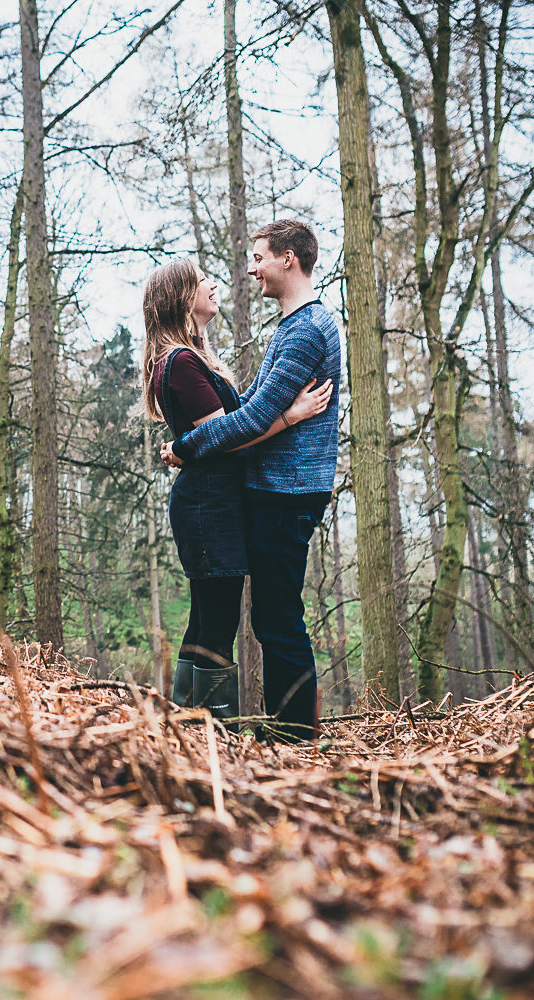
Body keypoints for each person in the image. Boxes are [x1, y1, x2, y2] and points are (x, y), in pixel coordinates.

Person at [161, 220, 343, 742]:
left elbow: (251, 417)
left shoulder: (308, 329)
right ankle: (284, 730)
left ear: (289, 259)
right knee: (270, 616)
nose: (250, 267)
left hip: (288, 492)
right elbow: (254, 410)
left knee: (278, 617)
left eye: (258, 257)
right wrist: (278, 416)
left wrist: (184, 447)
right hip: (276, 487)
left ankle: (294, 736)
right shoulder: (292, 328)